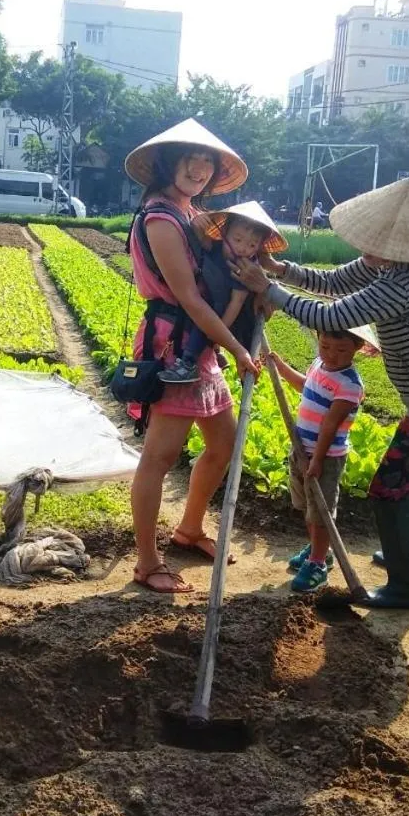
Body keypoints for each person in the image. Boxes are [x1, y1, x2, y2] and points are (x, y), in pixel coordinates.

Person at [236, 177, 409, 609]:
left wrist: (269, 290)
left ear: (403, 245)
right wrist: (282, 272)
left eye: (375, 242)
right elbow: (334, 283)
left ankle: (406, 588)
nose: (366, 250)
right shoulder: (390, 264)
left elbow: (333, 315)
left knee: (391, 491)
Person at [122, 118, 259, 594]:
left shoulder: (191, 214)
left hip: (200, 347)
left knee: (222, 444)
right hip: (174, 347)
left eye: (208, 162)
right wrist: (238, 347)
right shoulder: (160, 218)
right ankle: (146, 562)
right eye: (190, 158)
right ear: (167, 162)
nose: (199, 168)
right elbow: (189, 296)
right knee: (159, 457)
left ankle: (190, 529)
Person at [266, 327, 370, 593]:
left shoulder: (350, 385)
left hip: (325, 456)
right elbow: (305, 385)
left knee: (321, 510)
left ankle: (317, 564)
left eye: (341, 350)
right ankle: (319, 549)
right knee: (306, 504)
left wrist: (317, 460)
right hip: (302, 449)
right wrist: (279, 366)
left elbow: (330, 425)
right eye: (325, 347)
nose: (331, 355)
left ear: (357, 348)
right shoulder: (318, 365)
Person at [159, 201, 286, 384]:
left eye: (252, 245)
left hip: (226, 311)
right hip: (205, 299)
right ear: (225, 234)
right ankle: (216, 354)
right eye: (238, 240)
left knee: (206, 330)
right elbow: (199, 237)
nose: (243, 248)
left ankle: (188, 364)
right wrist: (197, 223)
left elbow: (237, 302)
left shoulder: (247, 270)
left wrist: (219, 333)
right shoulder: (216, 247)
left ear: (258, 248)